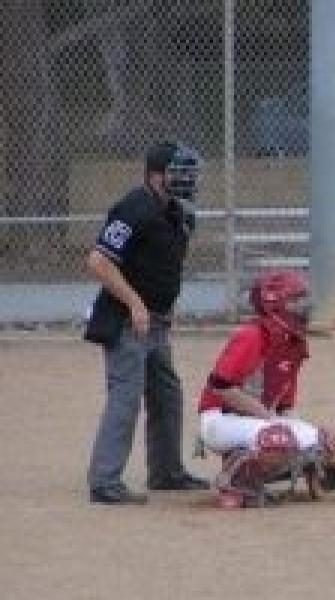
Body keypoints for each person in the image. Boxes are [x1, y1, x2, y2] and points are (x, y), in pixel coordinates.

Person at [85, 141, 208, 505]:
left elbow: (165, 266)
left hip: (156, 322)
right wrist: (136, 304)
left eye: (190, 172)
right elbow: (98, 261)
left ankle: (166, 472)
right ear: (157, 175)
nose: (188, 179)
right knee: (126, 396)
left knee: (167, 393)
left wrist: (165, 309)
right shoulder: (133, 208)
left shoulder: (179, 213)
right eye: (179, 172)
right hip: (126, 320)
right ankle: (104, 481)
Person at [197, 270, 335, 508]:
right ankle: (233, 481)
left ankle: (256, 468)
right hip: (220, 420)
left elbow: (284, 409)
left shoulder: (293, 342)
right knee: (278, 438)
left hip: (256, 421)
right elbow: (221, 388)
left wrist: (311, 450)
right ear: (274, 304)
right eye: (294, 300)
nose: (303, 307)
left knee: (323, 441)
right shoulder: (252, 335)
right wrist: (270, 421)